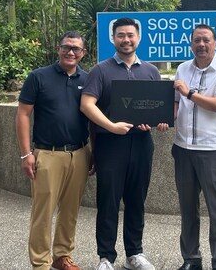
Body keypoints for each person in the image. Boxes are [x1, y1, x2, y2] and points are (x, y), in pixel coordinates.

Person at [80, 17, 160, 270]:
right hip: (110, 144)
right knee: (109, 200)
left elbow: (156, 107)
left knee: (137, 199)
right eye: (121, 35)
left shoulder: (151, 71)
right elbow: (87, 104)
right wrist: (111, 126)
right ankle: (106, 257)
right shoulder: (100, 70)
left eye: (131, 35)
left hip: (142, 143)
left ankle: (134, 253)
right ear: (113, 39)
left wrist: (155, 121)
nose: (126, 40)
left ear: (139, 38)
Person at [15, 31, 91, 270]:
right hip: (47, 154)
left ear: (83, 53)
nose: (71, 52)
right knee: (43, 212)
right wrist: (26, 154)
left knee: (70, 210)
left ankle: (62, 256)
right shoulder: (38, 77)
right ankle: (40, 263)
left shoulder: (88, 79)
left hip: (79, 153)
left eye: (76, 49)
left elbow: (93, 117)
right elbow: (23, 114)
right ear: (58, 49)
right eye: (66, 47)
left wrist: (93, 154)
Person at [168, 24, 216, 270]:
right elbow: (176, 103)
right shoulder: (182, 68)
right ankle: (191, 258)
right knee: (188, 208)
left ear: (215, 44)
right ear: (191, 44)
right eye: (197, 40)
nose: (201, 45)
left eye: (206, 40)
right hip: (183, 147)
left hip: (212, 150)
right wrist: (164, 117)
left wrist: (189, 93)